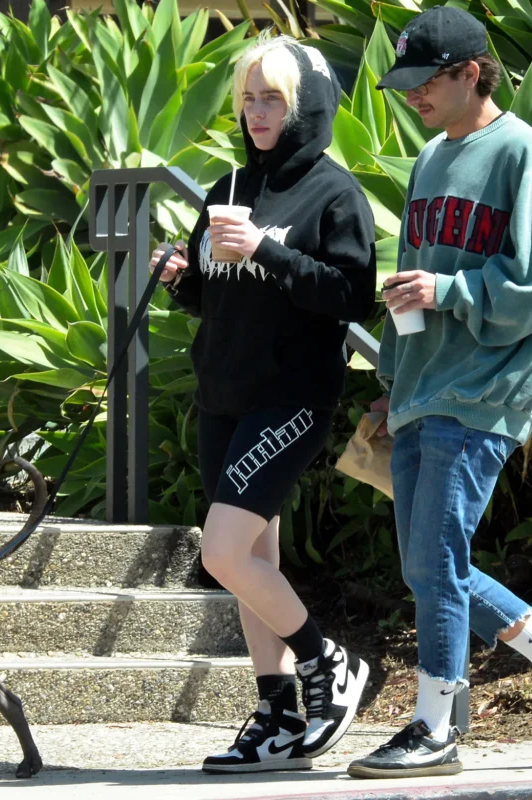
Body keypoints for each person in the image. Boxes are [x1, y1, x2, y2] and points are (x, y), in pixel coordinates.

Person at [347, 6, 532, 779]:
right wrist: (392, 382)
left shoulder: (526, 157)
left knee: (435, 559)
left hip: (487, 390)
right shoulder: (429, 160)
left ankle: (435, 726)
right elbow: (411, 280)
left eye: (425, 83)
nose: (411, 97)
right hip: (425, 388)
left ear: (471, 73)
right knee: (428, 567)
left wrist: (450, 289)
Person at [148, 33, 377, 773]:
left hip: (292, 397)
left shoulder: (334, 193)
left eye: (272, 97)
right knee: (251, 559)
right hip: (224, 395)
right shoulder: (228, 189)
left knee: (221, 553)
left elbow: (350, 296)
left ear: (304, 105)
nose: (256, 111)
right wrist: (184, 278)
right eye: (248, 98)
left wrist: (268, 251)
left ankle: (327, 664)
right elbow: (217, 296)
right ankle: (276, 710)